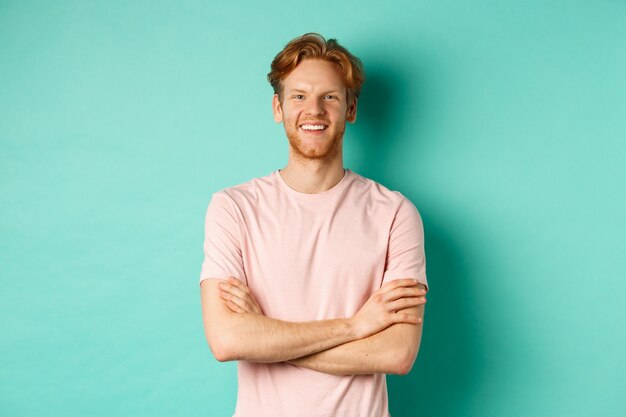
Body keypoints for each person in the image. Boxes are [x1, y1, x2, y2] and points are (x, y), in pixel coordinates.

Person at [199, 32, 429, 417]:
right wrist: (356, 327)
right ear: (278, 107)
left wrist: (266, 336)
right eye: (299, 96)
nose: (314, 110)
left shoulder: (396, 214)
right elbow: (227, 339)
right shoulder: (233, 208)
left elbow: (397, 352)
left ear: (351, 109)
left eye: (330, 97)